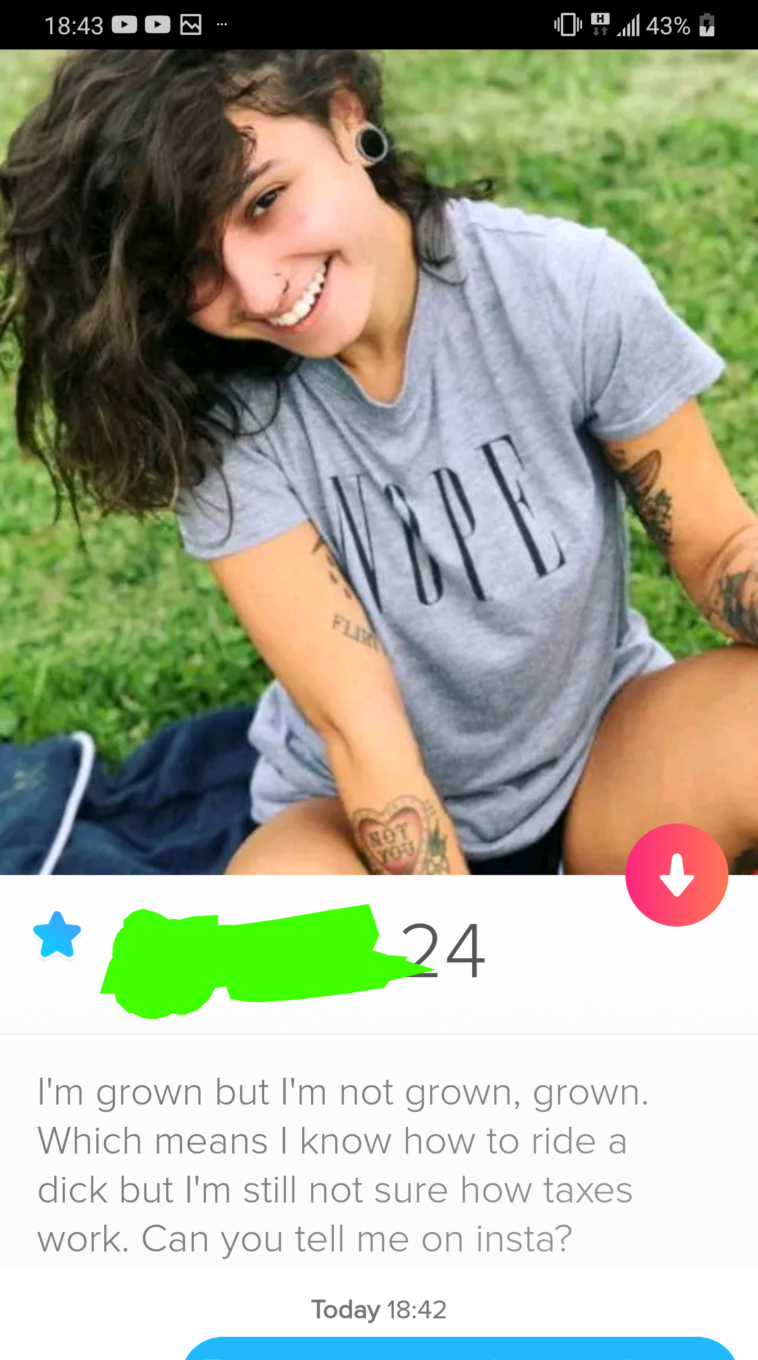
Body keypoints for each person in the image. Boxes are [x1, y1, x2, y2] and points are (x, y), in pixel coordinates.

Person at [2, 48, 758, 877]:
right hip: (352, 809)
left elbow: (721, 550)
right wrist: (462, 943)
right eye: (194, 266)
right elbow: (365, 738)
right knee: (277, 907)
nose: (257, 288)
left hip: (605, 756)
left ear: (345, 115)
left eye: (265, 202)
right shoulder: (222, 420)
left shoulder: (567, 289)